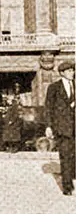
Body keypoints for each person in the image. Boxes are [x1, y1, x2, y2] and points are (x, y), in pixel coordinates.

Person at [45, 60, 75, 196]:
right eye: (69, 71)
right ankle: (67, 187)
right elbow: (48, 108)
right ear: (62, 73)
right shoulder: (54, 87)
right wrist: (49, 126)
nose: (72, 73)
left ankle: (72, 178)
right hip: (63, 128)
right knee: (65, 156)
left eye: (73, 70)